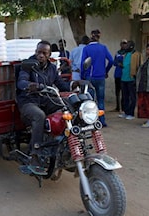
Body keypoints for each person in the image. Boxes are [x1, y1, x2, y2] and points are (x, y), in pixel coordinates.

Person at [16, 40, 79, 175]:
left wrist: (75, 85)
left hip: (46, 99)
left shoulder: (51, 68)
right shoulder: (28, 65)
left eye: (44, 53)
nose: (41, 55)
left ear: (49, 55)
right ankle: (35, 155)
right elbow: (21, 82)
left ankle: (68, 146)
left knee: (68, 109)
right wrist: (29, 85)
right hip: (28, 102)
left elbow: (61, 85)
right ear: (35, 52)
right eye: (39, 52)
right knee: (39, 116)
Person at [80, 29, 114, 127]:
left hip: (89, 77)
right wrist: (106, 71)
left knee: (90, 100)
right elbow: (111, 61)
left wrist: (83, 76)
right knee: (101, 99)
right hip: (100, 77)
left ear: (91, 36)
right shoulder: (103, 48)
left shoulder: (86, 49)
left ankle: (90, 120)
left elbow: (83, 64)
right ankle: (102, 121)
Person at [118, 40, 142, 120]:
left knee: (132, 96)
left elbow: (139, 66)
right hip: (123, 78)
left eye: (127, 45)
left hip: (131, 78)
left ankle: (131, 113)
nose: (125, 46)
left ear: (131, 46)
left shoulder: (136, 54)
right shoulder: (126, 54)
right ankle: (126, 111)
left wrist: (136, 77)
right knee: (125, 96)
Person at [111, 39, 128, 112]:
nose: (124, 45)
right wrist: (118, 63)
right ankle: (118, 107)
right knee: (117, 92)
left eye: (125, 44)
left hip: (124, 74)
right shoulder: (117, 53)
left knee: (124, 92)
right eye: (122, 43)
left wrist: (122, 63)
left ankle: (123, 107)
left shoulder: (127, 53)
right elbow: (114, 62)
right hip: (117, 74)